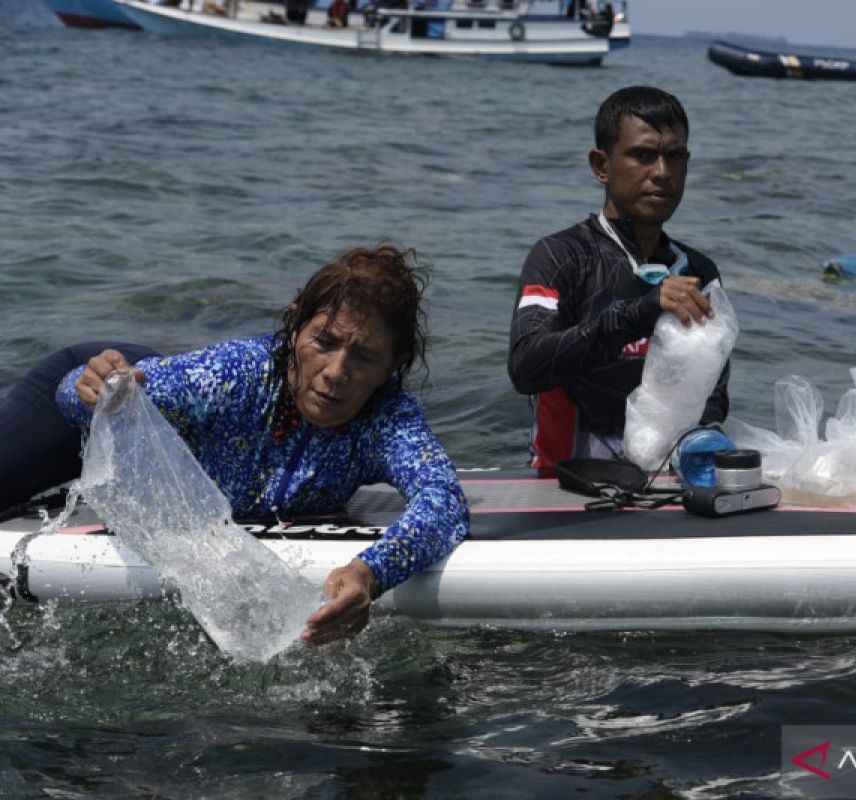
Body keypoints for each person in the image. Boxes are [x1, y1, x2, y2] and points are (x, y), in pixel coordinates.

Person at [4, 245, 468, 646]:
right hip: (99, 400)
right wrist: (86, 387)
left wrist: (371, 572)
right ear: (294, 329)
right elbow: (76, 400)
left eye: (364, 356)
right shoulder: (234, 376)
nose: (336, 372)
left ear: (393, 365)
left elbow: (444, 501)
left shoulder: (386, 418)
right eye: (323, 343)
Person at [507, 86, 729, 468]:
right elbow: (526, 367)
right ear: (601, 166)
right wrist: (639, 313)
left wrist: (703, 444)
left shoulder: (699, 272)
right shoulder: (561, 257)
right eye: (642, 156)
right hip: (566, 480)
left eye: (674, 157)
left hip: (664, 480)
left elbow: (713, 395)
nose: (661, 173)